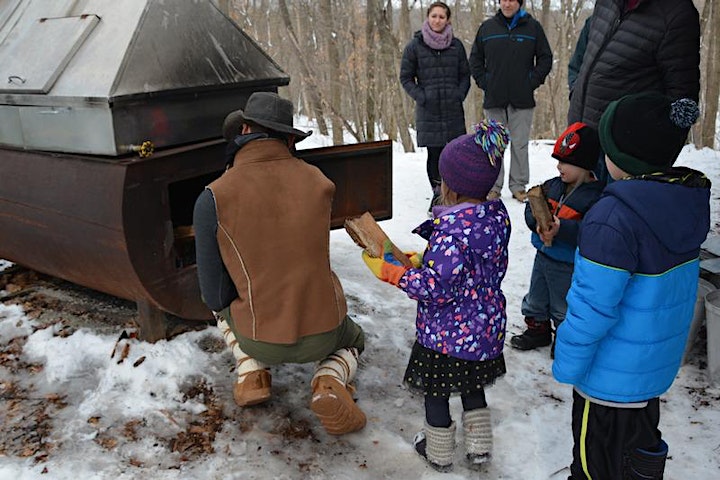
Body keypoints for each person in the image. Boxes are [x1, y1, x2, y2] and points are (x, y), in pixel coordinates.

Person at [552, 92, 708, 479]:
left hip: (606, 383)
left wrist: (567, 365)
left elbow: (592, 307)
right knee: (637, 461)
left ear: (621, 159)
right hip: (648, 376)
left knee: (593, 467)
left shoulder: (612, 218)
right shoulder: (684, 202)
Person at [193, 91, 367, 436]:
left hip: (260, 336)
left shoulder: (212, 196)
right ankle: (329, 379)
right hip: (324, 330)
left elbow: (213, 294)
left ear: (242, 130)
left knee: (219, 306)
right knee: (354, 339)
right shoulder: (320, 183)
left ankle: (252, 372)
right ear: (290, 139)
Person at [362, 120, 511, 472]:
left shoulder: (451, 234)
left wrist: (394, 272)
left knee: (438, 392)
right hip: (484, 329)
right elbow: (469, 268)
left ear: (452, 189)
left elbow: (436, 288)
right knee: (473, 387)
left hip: (446, 335)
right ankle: (479, 448)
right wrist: (421, 260)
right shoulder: (495, 218)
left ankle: (439, 450)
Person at [567, 0, 700, 184]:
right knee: (572, 211)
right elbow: (583, 56)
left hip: (622, 158)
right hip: (579, 141)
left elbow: (682, 104)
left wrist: (647, 166)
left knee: (613, 213)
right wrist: (576, 90)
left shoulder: (676, 13)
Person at [510, 123, 604, 355]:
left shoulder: (595, 197)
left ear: (584, 165)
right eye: (558, 161)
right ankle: (537, 329)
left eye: (565, 162)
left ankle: (565, 338)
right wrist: (536, 222)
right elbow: (531, 208)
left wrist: (563, 229)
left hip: (567, 263)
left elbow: (591, 232)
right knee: (536, 297)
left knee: (563, 304)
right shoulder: (553, 186)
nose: (559, 166)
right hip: (542, 256)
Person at [469, 0, 552, 203]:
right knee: (494, 146)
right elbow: (475, 59)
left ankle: (518, 186)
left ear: (519, 3)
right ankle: (494, 187)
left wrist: (530, 82)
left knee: (520, 145)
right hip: (494, 98)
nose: (507, 3)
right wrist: (485, 82)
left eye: (512, 0)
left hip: (522, 99)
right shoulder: (487, 28)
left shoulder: (532, 27)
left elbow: (545, 58)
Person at [400, 1, 470, 212]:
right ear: (427, 18)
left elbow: (465, 75)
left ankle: (455, 194)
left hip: (452, 110)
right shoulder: (415, 46)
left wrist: (459, 95)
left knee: (455, 153)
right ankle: (438, 196)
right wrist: (422, 97)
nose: (437, 20)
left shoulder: (456, 46)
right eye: (434, 16)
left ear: (447, 20)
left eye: (441, 16)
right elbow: (406, 77)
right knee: (435, 155)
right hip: (428, 111)